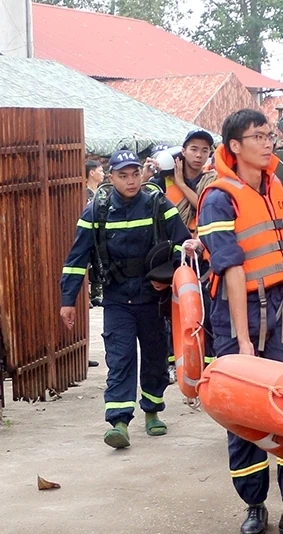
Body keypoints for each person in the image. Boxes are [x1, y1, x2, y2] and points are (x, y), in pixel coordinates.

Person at [196, 108, 283, 534]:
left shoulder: (277, 189)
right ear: (235, 145)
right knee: (244, 412)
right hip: (239, 311)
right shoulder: (219, 197)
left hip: (282, 306)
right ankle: (254, 504)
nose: (268, 143)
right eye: (258, 136)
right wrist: (244, 342)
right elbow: (230, 269)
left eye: (270, 135)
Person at [60, 149, 195, 448]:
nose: (131, 181)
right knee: (120, 358)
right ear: (112, 178)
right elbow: (77, 257)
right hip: (117, 297)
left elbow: (183, 244)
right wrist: (67, 299)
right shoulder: (97, 210)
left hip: (152, 297)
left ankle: (152, 412)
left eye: (135, 174)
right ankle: (119, 421)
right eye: (123, 176)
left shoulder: (158, 204)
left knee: (155, 357)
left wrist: (167, 275)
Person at [149, 130, 218, 377]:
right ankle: (172, 360)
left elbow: (205, 203)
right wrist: (150, 173)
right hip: (173, 251)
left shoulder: (213, 180)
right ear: (183, 151)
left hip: (203, 251)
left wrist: (180, 183)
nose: (199, 155)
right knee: (169, 307)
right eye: (193, 149)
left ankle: (208, 362)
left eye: (204, 150)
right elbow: (146, 199)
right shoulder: (162, 181)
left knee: (206, 306)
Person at [84, 159, 106, 313]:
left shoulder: (103, 192)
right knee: (86, 265)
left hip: (101, 233)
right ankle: (85, 296)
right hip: (87, 232)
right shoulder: (83, 193)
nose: (103, 173)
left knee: (99, 263)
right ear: (91, 173)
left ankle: (97, 294)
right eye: (100, 170)